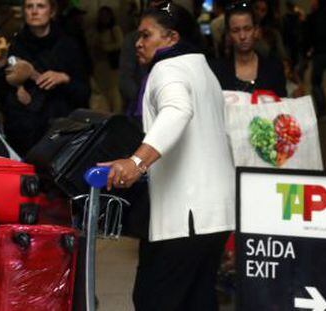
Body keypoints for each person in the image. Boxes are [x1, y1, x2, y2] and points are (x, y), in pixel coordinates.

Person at [99, 3, 234, 310]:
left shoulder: (166, 69)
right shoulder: (203, 70)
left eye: (146, 35)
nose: (138, 42)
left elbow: (177, 110)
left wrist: (136, 162)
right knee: (198, 299)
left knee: (153, 299)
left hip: (186, 216)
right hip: (216, 212)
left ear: (171, 38)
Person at [0, 0, 88, 156]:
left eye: (41, 6)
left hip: (58, 132)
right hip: (22, 131)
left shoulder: (68, 45)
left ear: (52, 12)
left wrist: (64, 78)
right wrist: (1, 66)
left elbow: (84, 92)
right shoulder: (14, 45)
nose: (34, 11)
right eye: (29, 6)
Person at [210, 1, 287, 97]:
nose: (242, 36)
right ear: (229, 35)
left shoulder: (274, 68)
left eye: (247, 29)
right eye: (235, 30)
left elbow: (282, 105)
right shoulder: (217, 71)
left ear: (256, 30)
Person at [89, 6, 123, 113]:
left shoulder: (114, 29)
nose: (104, 18)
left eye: (106, 15)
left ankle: (116, 113)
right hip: (99, 65)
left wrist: (105, 48)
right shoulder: (96, 31)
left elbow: (120, 44)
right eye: (102, 15)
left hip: (111, 64)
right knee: (102, 91)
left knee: (113, 91)